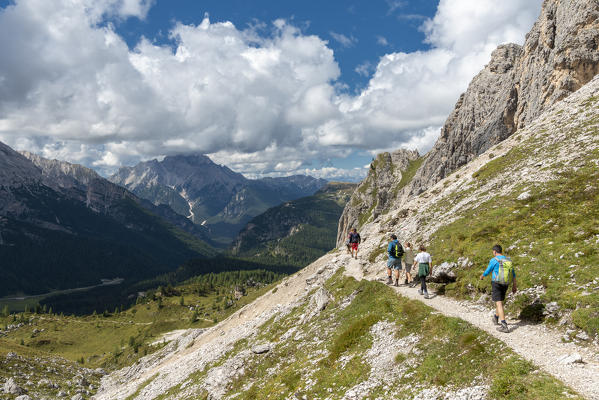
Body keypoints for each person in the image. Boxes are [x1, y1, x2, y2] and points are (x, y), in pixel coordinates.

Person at [480, 244, 517, 333]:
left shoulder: (494, 260)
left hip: (496, 283)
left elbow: (488, 270)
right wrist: (514, 286)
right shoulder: (508, 260)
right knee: (499, 301)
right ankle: (496, 317)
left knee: (499, 303)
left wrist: (482, 276)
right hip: (506, 283)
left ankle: (504, 325)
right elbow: (513, 274)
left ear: (495, 251)